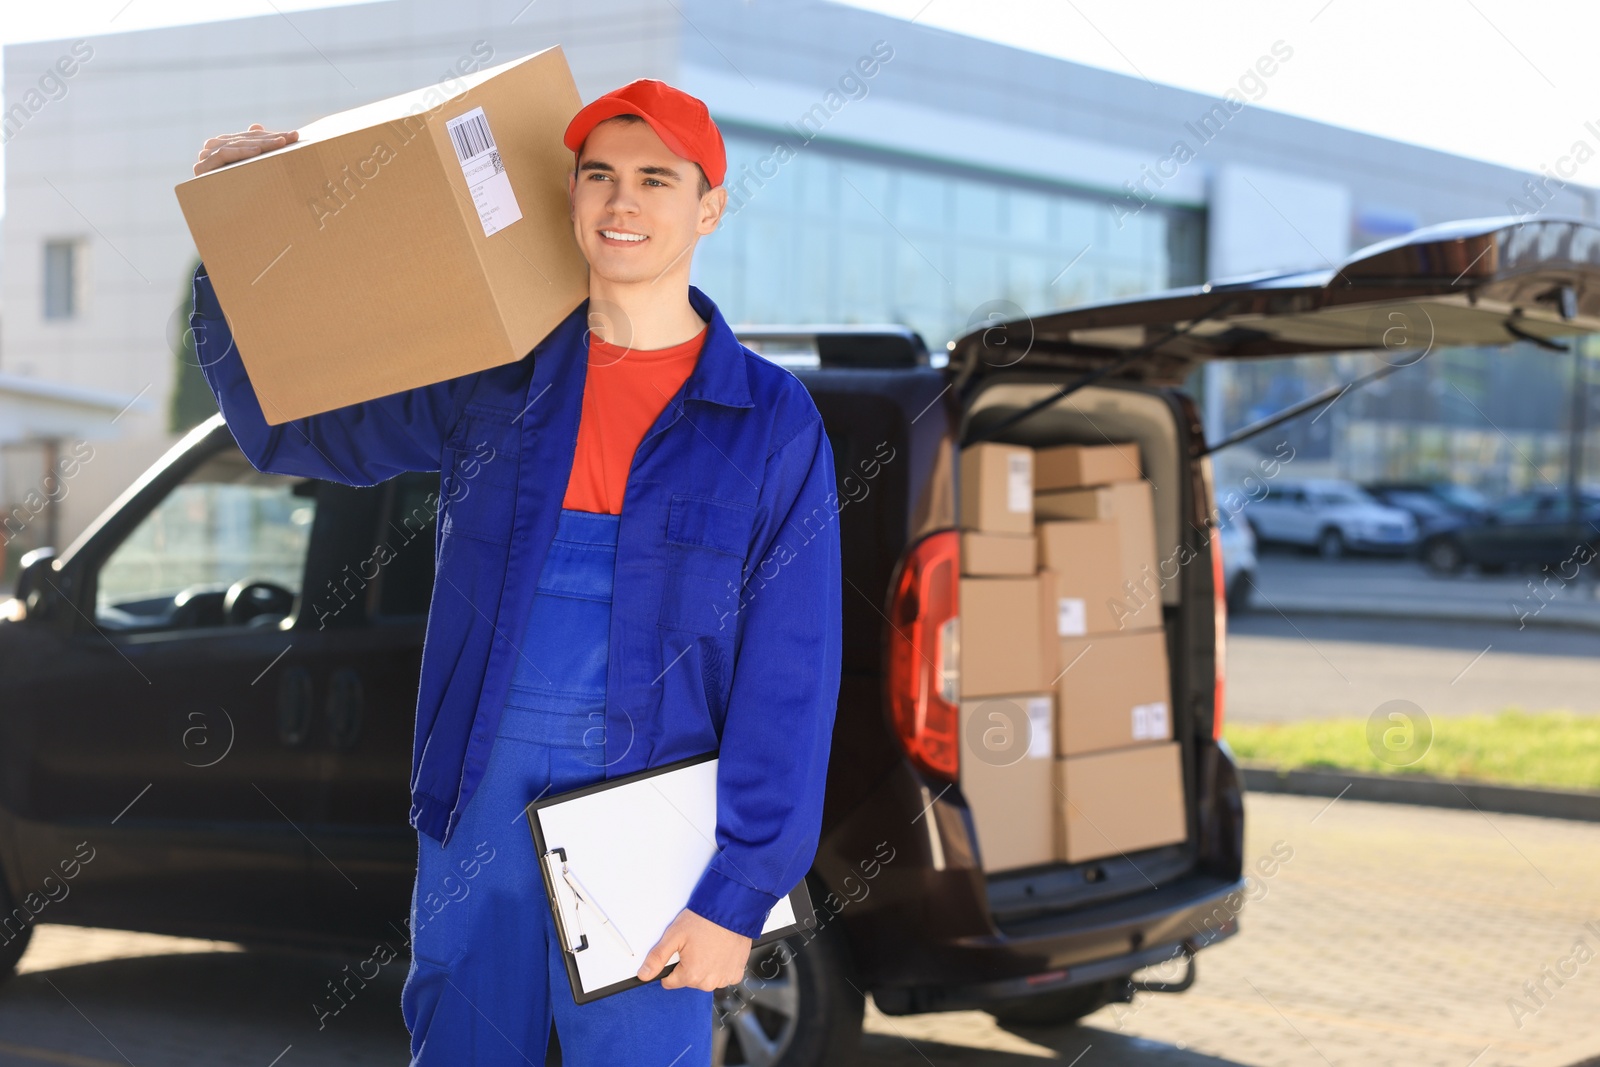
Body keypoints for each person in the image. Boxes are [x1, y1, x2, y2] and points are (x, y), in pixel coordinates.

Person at [189, 79, 842, 1066]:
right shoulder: (494, 379)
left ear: (707, 207)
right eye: (600, 177)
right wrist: (233, 236)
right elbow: (294, 425)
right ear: (572, 195)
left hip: (649, 826)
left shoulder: (768, 421)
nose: (623, 203)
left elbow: (789, 677)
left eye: (656, 180)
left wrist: (739, 894)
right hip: (475, 796)